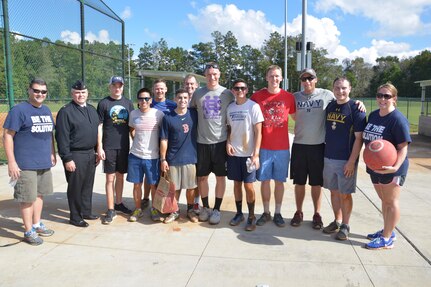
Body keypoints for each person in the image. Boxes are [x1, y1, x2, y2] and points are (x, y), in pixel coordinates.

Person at [3, 78, 56, 245]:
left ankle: (36, 224)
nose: (40, 94)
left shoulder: (46, 110)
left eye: (43, 91)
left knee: (39, 195)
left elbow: (49, 134)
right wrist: (11, 162)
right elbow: (7, 136)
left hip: (43, 162)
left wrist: (52, 153)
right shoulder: (19, 110)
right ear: (29, 91)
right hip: (25, 164)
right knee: (27, 198)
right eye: (36, 90)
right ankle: (28, 231)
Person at [363, 83, 411, 250]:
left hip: (393, 167)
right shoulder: (374, 115)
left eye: (387, 96)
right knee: (384, 200)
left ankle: (387, 238)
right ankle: (387, 230)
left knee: (391, 202)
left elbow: (403, 147)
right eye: (380, 95)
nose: (382, 99)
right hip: (375, 166)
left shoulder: (397, 119)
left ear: (394, 98)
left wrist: (396, 166)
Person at [250, 65, 296, 227]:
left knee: (279, 181)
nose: (274, 79)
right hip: (263, 147)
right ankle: (266, 212)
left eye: (277, 76)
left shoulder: (289, 97)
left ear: (282, 78)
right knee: (264, 181)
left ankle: (278, 212)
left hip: (282, 148)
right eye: (271, 76)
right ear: (266, 78)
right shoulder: (257, 96)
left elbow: (298, 118)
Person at [189, 62, 235, 225]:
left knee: (220, 177)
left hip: (220, 142)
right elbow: (191, 112)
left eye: (215, 74)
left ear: (219, 74)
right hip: (202, 142)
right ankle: (206, 207)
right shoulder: (198, 94)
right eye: (209, 74)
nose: (212, 77)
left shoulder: (227, 94)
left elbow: (233, 117)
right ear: (205, 75)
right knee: (202, 178)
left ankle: (217, 209)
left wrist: (230, 140)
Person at [290, 68, 336, 229]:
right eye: (304, 79)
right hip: (299, 146)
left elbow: (343, 102)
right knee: (299, 183)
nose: (307, 81)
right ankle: (299, 211)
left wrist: (358, 103)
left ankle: (317, 214)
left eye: (310, 78)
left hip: (318, 146)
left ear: (316, 79)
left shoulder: (326, 95)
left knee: (316, 183)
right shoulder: (295, 97)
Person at [321, 77, 366, 240]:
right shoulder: (330, 106)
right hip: (329, 156)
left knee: (345, 194)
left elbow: (359, 139)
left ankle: (346, 225)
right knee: (333, 192)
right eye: (337, 88)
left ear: (350, 89)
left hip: (345, 160)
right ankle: (337, 221)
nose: (340, 91)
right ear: (333, 89)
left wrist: (351, 162)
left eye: (344, 88)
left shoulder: (356, 108)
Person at [55, 80, 100, 228]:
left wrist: (97, 150)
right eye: (77, 92)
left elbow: (97, 131)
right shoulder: (66, 111)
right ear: (72, 93)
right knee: (75, 187)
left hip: (90, 153)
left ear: (87, 93)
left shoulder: (92, 110)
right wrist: (67, 158)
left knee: (87, 185)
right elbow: (62, 137)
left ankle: (86, 211)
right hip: (75, 155)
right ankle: (75, 217)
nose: (80, 95)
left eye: (83, 92)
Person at [227, 79, 264, 231]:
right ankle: (239, 213)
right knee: (236, 184)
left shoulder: (253, 107)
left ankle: (251, 216)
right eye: (237, 88)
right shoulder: (230, 108)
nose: (240, 91)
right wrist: (228, 142)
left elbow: (258, 132)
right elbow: (228, 128)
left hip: (249, 154)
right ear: (233, 91)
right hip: (234, 153)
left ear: (247, 89)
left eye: (242, 88)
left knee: (248, 186)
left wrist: (256, 154)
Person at [97, 76, 134, 224]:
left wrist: (136, 142)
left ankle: (118, 203)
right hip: (109, 147)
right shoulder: (104, 103)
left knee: (120, 176)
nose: (117, 88)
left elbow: (132, 127)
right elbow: (99, 126)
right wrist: (99, 147)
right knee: (109, 178)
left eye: (120, 85)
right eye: (114, 85)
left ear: (123, 87)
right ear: (110, 87)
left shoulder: (128, 103)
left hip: (123, 146)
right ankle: (111, 209)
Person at [160, 88, 199, 223]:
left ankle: (190, 210)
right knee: (174, 188)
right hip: (173, 158)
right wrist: (163, 159)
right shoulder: (168, 117)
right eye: (180, 98)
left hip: (190, 157)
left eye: (185, 97)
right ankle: (174, 211)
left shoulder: (194, 114)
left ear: (188, 99)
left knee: (191, 187)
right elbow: (164, 140)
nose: (182, 100)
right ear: (175, 99)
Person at [126, 88, 165, 222]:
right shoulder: (133, 114)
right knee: (137, 184)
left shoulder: (158, 114)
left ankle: (154, 209)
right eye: (141, 98)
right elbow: (131, 129)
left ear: (151, 100)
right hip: (135, 155)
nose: (144, 101)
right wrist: (135, 140)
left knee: (153, 185)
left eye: (147, 98)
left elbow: (164, 134)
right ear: (138, 100)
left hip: (152, 157)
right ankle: (138, 209)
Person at [183, 74, 202, 214]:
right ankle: (174, 206)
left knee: (198, 176)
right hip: (182, 146)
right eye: (187, 84)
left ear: (196, 86)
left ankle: (196, 202)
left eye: (192, 84)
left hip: (198, 143)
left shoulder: (201, 101)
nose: (189, 86)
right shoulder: (180, 101)